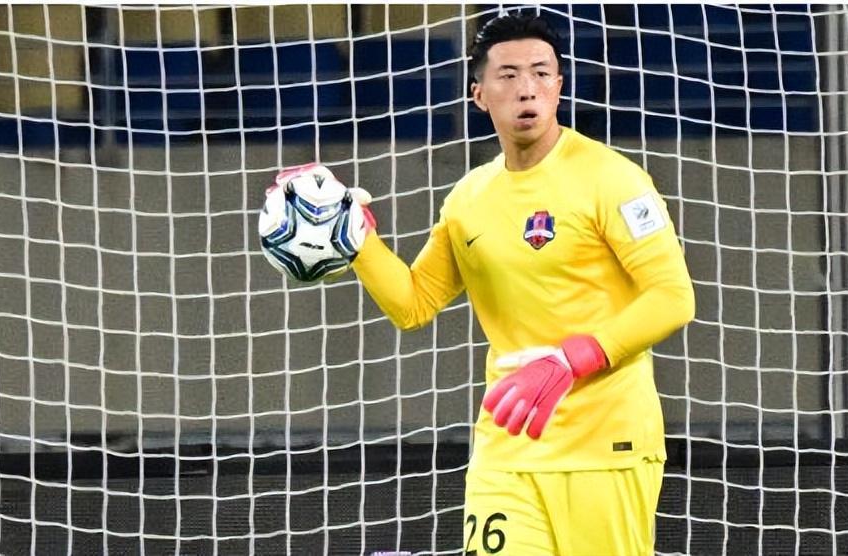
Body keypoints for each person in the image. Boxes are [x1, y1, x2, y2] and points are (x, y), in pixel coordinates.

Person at [273, 12, 694, 555]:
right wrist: (357, 239)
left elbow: (672, 296)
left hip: (604, 446)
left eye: (541, 73)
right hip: (507, 448)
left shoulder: (613, 179)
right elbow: (414, 303)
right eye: (509, 75)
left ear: (559, 86)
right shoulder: (469, 199)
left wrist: (571, 360)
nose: (527, 89)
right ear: (479, 95)